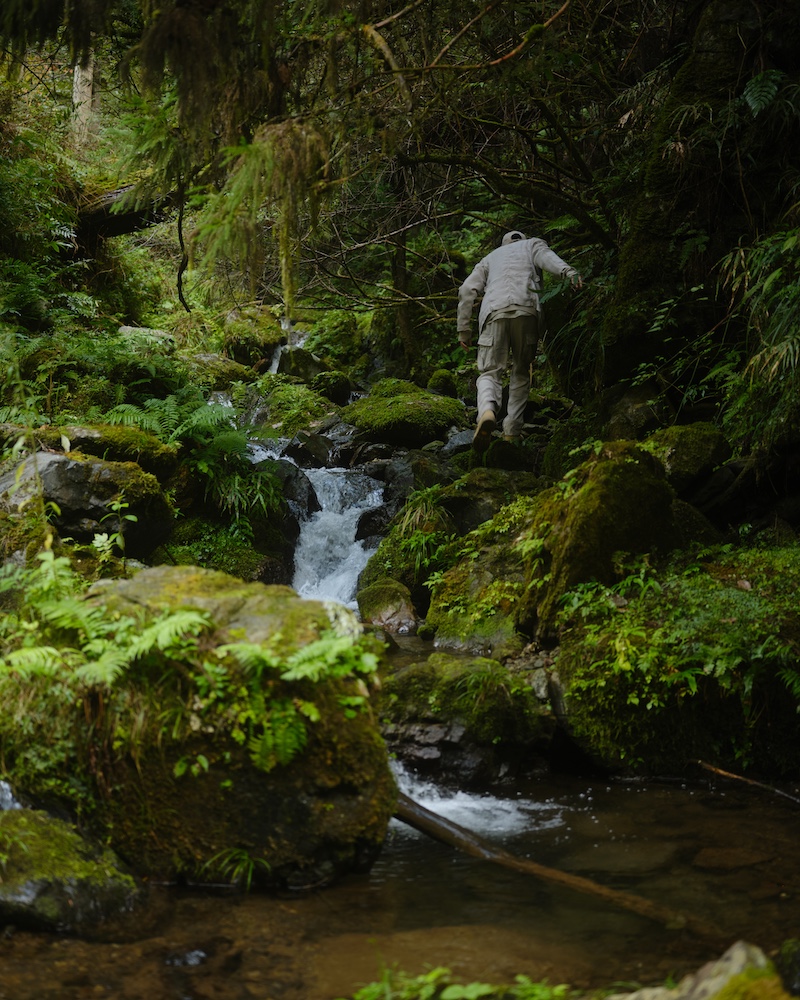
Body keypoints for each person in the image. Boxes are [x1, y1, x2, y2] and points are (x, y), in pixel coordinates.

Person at [457, 230, 582, 449]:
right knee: (521, 370)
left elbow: (467, 289)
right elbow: (549, 260)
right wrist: (569, 273)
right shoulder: (533, 245)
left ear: (503, 243)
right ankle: (512, 431)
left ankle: (487, 411)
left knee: (490, 372)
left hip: (494, 312)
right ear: (522, 240)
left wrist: (463, 331)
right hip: (526, 310)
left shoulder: (490, 258)